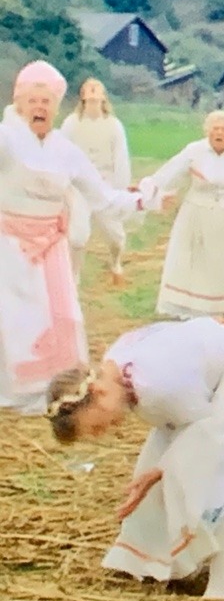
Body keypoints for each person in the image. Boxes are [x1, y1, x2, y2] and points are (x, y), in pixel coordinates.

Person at [45, 318, 224, 599]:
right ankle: (163, 558)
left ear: (99, 392)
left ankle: (223, 582)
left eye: (98, 426)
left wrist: (166, 468)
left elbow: (205, 429)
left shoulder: (156, 388)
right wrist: (158, 468)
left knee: (201, 478)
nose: (107, 433)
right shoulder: (117, 367)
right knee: (158, 474)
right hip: (212, 389)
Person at [0, 61, 142, 414]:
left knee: (60, 318)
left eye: (47, 102)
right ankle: (13, 389)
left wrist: (143, 197)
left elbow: (104, 198)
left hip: (51, 250)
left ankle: (51, 387)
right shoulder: (6, 139)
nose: (40, 108)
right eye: (33, 101)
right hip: (10, 248)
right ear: (19, 104)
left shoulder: (64, 149)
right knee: (13, 319)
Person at [140, 111, 224, 320]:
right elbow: (170, 173)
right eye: (215, 129)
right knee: (196, 264)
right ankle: (196, 309)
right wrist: (150, 191)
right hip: (198, 215)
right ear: (207, 132)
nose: (219, 133)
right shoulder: (194, 151)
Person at [60, 78, 131, 284]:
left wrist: (120, 190)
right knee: (77, 237)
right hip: (79, 188)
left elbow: (121, 158)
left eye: (97, 87)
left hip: (105, 186)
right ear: (82, 96)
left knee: (115, 236)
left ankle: (116, 262)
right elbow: (62, 154)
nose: (92, 90)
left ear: (103, 96)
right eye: (88, 88)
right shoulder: (71, 123)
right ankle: (73, 278)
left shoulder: (113, 125)